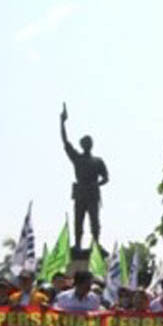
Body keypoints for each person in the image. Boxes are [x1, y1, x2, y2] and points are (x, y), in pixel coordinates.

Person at [60, 103, 108, 248]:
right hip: (80, 192)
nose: (87, 144)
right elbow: (65, 142)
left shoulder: (98, 161)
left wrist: (97, 184)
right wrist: (62, 122)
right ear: (82, 145)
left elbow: (106, 178)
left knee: (95, 221)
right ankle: (77, 244)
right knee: (78, 220)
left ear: (91, 145)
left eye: (89, 142)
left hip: (93, 193)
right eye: (85, 142)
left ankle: (96, 243)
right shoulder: (77, 158)